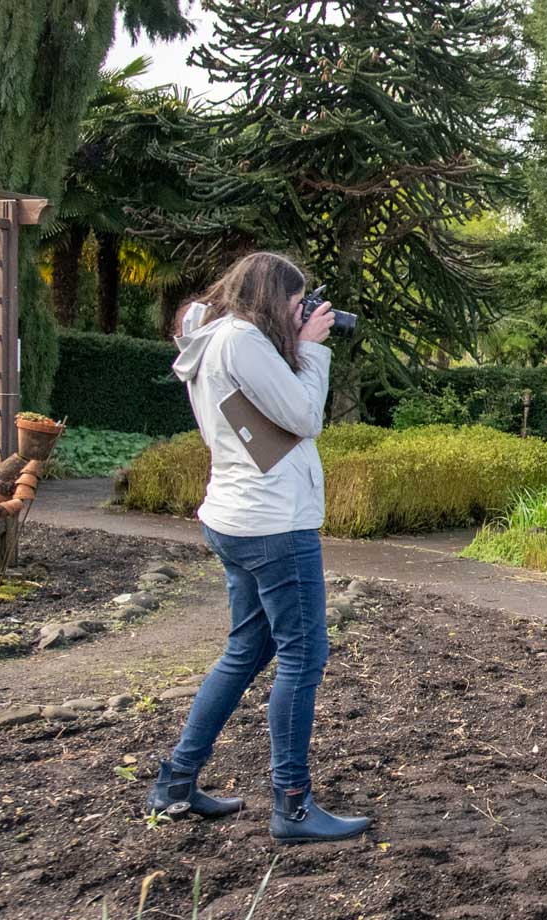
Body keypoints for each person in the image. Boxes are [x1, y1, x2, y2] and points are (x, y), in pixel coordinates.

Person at [145, 252, 372, 845]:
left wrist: (294, 344)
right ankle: (292, 806)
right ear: (274, 299)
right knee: (303, 656)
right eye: (298, 305)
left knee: (247, 648)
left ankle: (175, 781)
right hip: (274, 524)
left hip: (235, 517)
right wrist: (315, 347)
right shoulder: (242, 342)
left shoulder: (217, 338)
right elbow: (303, 415)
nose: (305, 313)